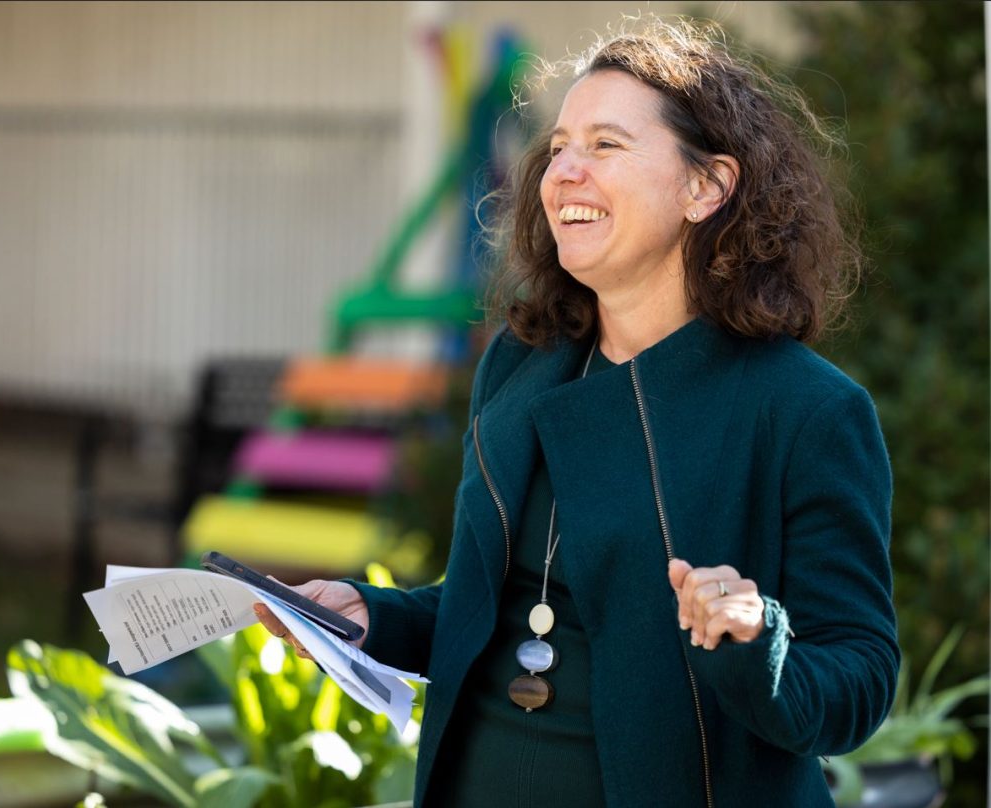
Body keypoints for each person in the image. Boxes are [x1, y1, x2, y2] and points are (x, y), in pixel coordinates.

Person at [254, 18, 898, 807]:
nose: (563, 172)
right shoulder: (520, 365)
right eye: (559, 146)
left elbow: (859, 676)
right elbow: (507, 609)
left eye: (605, 145)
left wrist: (755, 637)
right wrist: (373, 618)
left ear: (706, 186)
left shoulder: (809, 410)